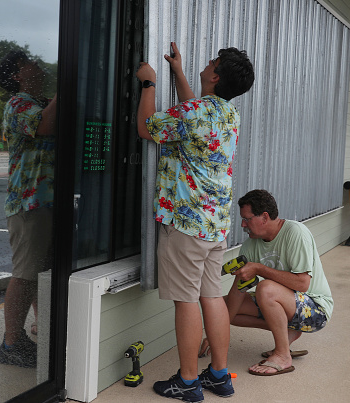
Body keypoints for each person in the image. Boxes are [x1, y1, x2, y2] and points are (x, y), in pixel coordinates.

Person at [135, 42, 254, 402]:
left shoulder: (193, 113)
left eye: (211, 62)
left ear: (215, 75)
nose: (207, 63)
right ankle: (219, 375)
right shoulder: (227, 114)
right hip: (214, 226)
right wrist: (180, 73)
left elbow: (146, 127)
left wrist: (149, 83)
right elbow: (193, 111)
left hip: (186, 227)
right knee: (210, 297)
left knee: (186, 302)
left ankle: (187, 382)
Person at [200, 189, 333, 376]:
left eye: (247, 219)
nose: (243, 224)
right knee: (223, 307)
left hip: (316, 309)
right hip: (287, 304)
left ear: (264, 217)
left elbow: (303, 284)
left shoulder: (295, 232)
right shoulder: (250, 245)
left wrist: (260, 269)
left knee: (265, 288)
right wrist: (215, 334)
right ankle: (288, 333)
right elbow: (238, 291)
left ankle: (282, 355)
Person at [0, 50, 57, 368]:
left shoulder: (40, 100)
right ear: (18, 75)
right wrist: (67, 89)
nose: (37, 62)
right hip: (28, 203)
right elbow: (44, 126)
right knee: (25, 274)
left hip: (45, 202)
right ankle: (11, 343)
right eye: (28, 61)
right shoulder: (18, 103)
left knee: (39, 272)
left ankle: (40, 326)